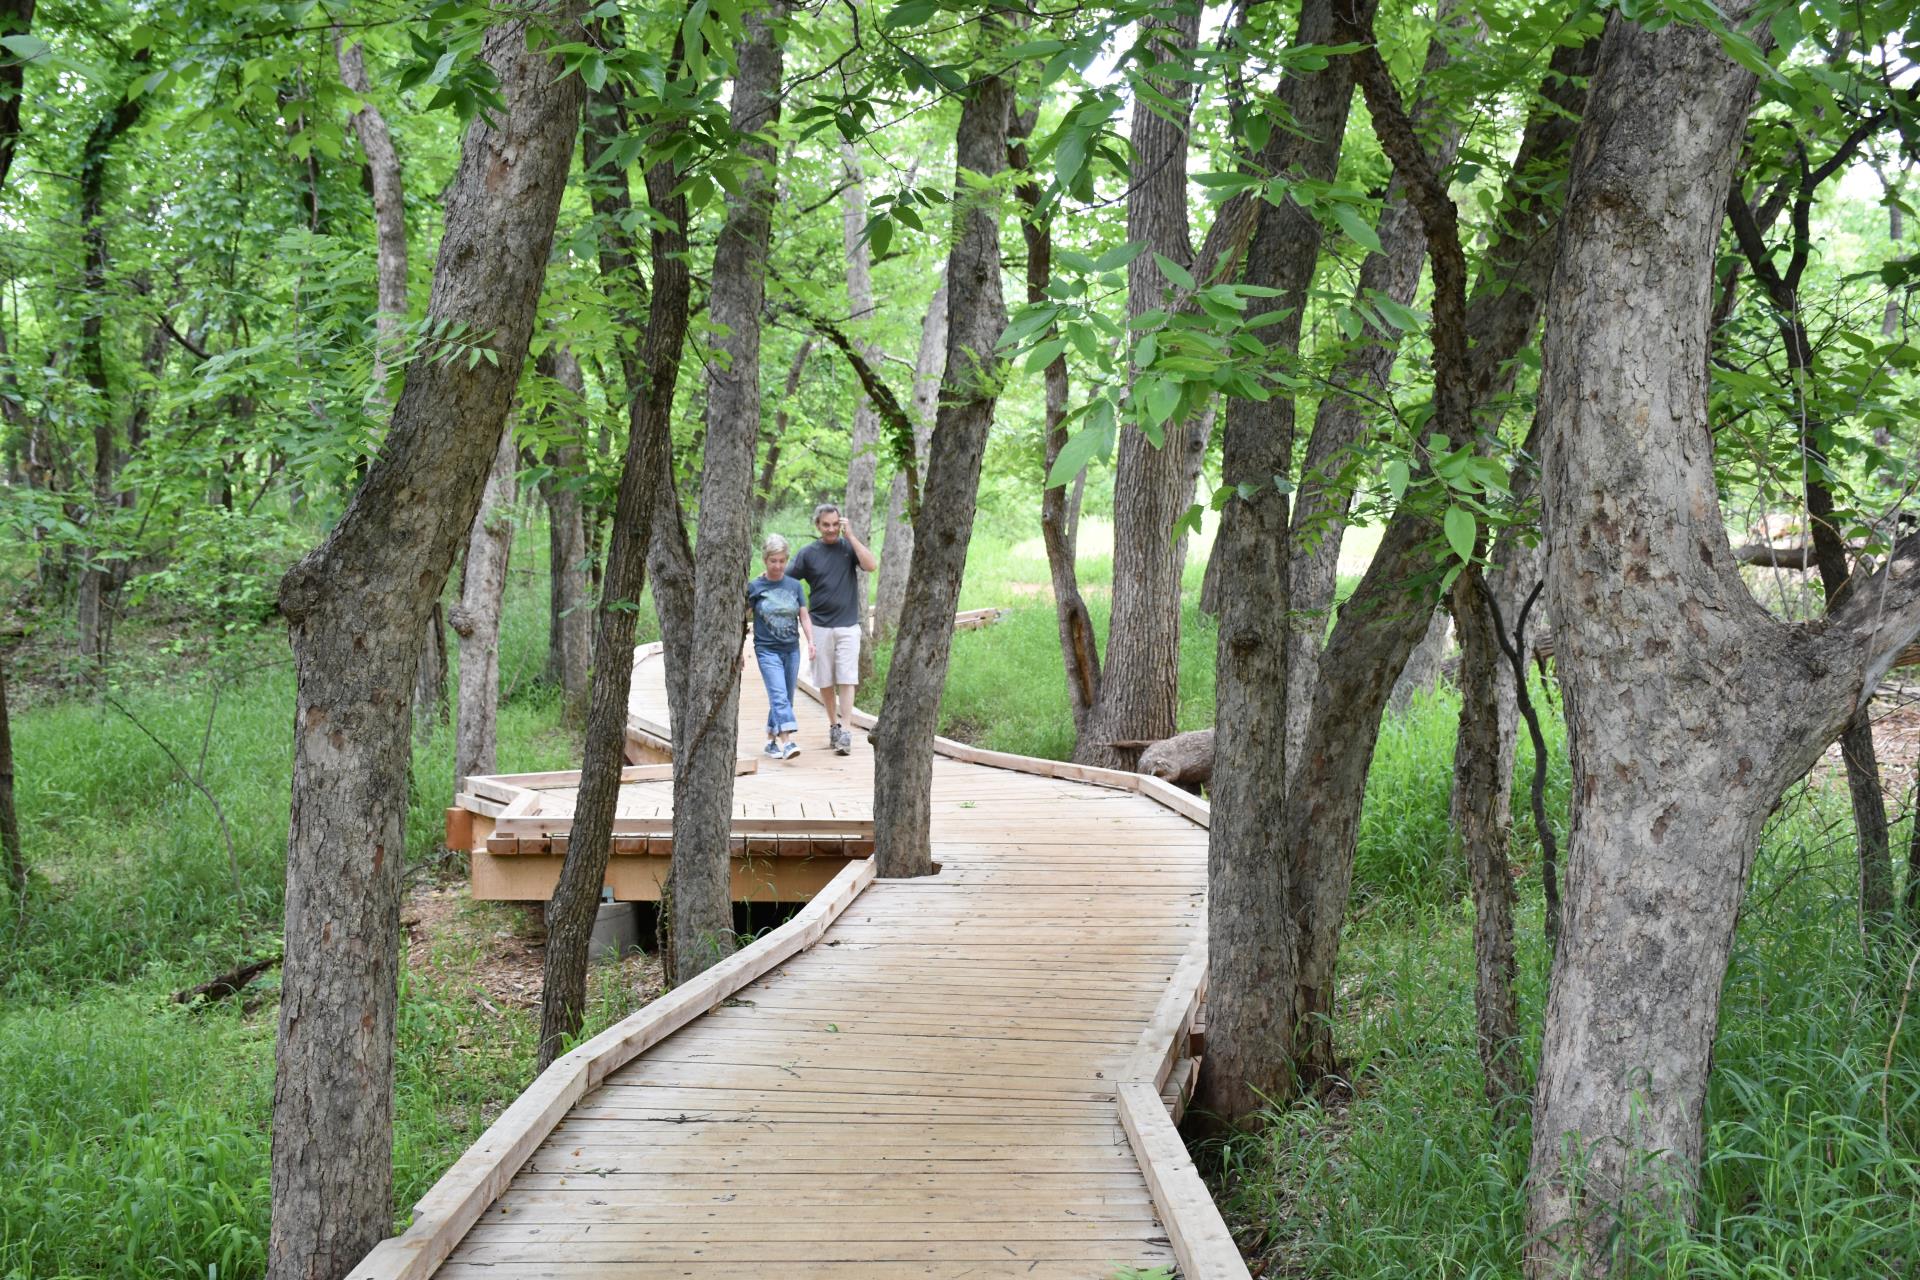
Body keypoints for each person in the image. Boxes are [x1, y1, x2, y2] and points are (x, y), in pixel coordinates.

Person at [788, 502, 877, 755]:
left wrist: (851, 536)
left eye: (835, 524)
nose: (830, 529)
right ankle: (834, 725)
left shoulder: (849, 548)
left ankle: (847, 730)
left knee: (847, 677)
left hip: (848, 625)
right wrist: (766, 579)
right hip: (820, 626)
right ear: (818, 526)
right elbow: (788, 578)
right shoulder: (808, 553)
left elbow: (871, 566)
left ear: (841, 524)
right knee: (825, 679)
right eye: (826, 525)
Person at [745, 534, 813, 761]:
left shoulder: (794, 585)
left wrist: (811, 642)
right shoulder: (755, 587)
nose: (778, 565)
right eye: (773, 560)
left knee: (786, 698)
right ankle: (787, 742)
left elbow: (804, 616)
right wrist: (737, 652)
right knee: (778, 695)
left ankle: (770, 741)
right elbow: (742, 619)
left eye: (782, 561)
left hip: (791, 649)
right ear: (765, 560)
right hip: (766, 649)